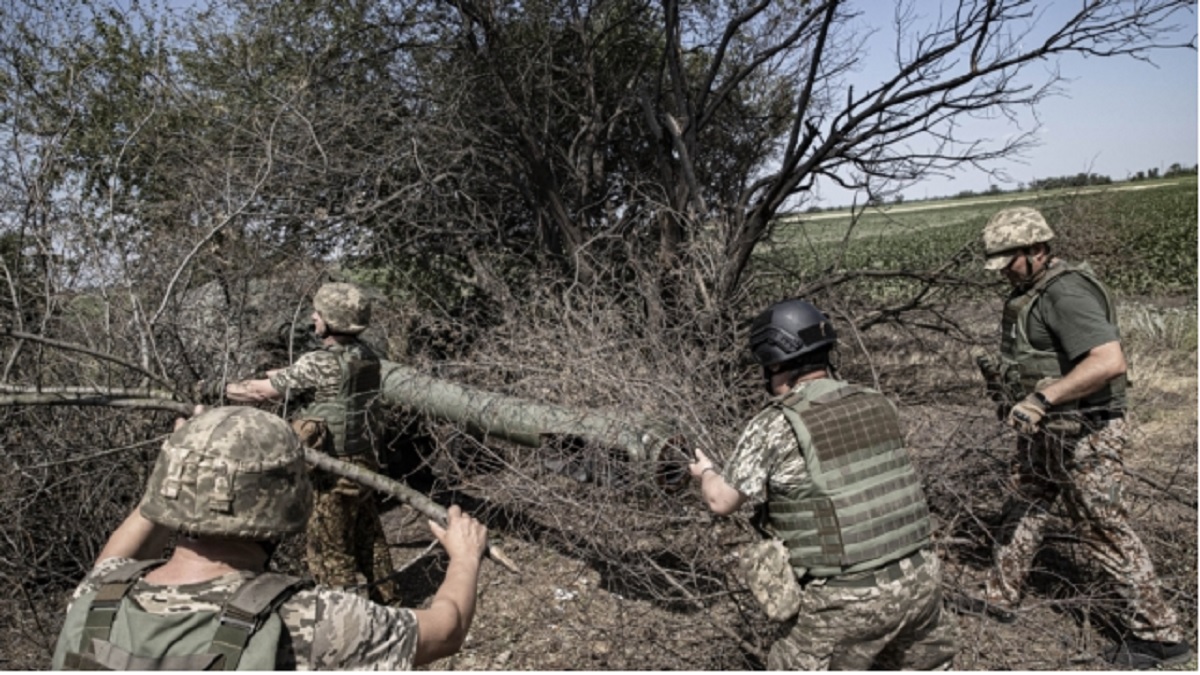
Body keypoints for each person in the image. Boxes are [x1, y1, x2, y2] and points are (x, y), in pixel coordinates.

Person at [52, 406, 488, 670]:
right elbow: (445, 630)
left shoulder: (96, 597)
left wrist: (188, 459)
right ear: (291, 499)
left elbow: (117, 553)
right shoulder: (308, 620)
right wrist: (465, 556)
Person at [965, 206, 1191, 669]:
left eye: (1009, 261)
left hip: (1086, 429)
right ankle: (999, 595)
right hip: (1047, 429)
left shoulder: (1066, 293)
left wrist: (1043, 400)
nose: (1003, 272)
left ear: (1036, 249)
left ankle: (1160, 634)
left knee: (1101, 525)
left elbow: (1108, 361)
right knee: (1025, 502)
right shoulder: (1030, 291)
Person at [689, 298, 957, 670]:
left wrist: (705, 472)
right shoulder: (878, 403)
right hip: (922, 581)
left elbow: (720, 500)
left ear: (777, 362)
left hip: (849, 598)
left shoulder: (776, 423)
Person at [198, 281, 398, 603]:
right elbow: (323, 380)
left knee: (328, 550)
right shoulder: (368, 357)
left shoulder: (318, 363)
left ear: (332, 320)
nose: (312, 319)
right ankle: (389, 600)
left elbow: (257, 392)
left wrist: (215, 388)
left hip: (331, 470)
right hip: (364, 461)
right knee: (368, 534)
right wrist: (286, 372)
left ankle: (345, 621)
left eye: (317, 314)